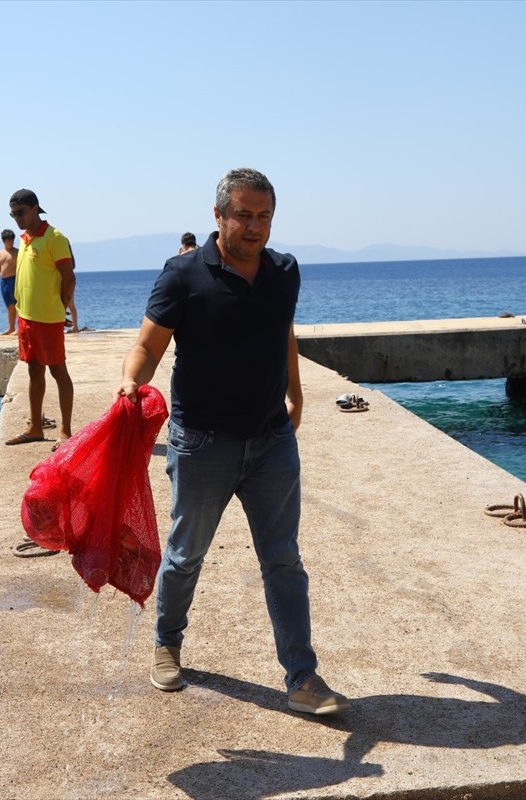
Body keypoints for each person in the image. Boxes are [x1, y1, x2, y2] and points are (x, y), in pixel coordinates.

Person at [116, 167, 350, 716]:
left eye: (263, 215)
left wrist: (296, 394)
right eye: (243, 214)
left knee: (284, 560)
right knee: (185, 554)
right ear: (218, 216)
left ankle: (302, 677)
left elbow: (282, 333)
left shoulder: (284, 271)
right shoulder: (182, 275)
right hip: (202, 442)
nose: (254, 226)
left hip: (270, 440)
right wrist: (132, 381)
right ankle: (167, 644)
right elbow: (148, 346)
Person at [5, 188, 75, 450]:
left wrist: (61, 306)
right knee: (34, 371)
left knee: (58, 371)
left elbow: (69, 277)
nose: (17, 218)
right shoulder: (24, 239)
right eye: (13, 214)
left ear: (35, 208)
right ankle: (35, 426)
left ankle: (65, 431)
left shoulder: (54, 237)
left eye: (21, 212)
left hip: (47, 320)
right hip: (26, 318)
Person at [0, 229, 19, 335]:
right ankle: (11, 328)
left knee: (17, 304)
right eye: (9, 240)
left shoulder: (17, 252)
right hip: (3, 281)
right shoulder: (0, 253)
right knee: (9, 306)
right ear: (4, 241)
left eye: (12, 240)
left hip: (13, 279)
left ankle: (19, 328)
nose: (11, 242)